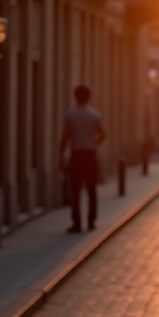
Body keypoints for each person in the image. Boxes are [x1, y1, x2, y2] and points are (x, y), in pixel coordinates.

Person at [58, 84, 105, 234]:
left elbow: (65, 138)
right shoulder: (94, 115)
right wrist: (94, 143)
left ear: (75, 97)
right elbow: (103, 134)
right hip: (91, 155)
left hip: (76, 155)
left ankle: (76, 223)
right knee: (92, 190)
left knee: (75, 190)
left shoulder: (70, 115)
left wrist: (61, 156)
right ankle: (91, 221)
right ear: (89, 97)